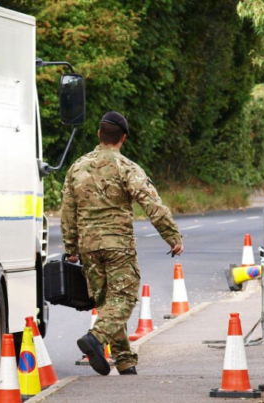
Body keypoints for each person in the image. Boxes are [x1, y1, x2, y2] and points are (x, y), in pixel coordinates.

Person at [61, 111, 184, 376]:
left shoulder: (77, 167)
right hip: (118, 244)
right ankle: (96, 337)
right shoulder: (127, 167)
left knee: (107, 301)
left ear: (99, 135)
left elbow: (67, 211)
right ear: (123, 138)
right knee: (124, 297)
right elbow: (151, 203)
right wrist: (172, 236)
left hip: (88, 246)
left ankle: (125, 361)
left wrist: (71, 248)